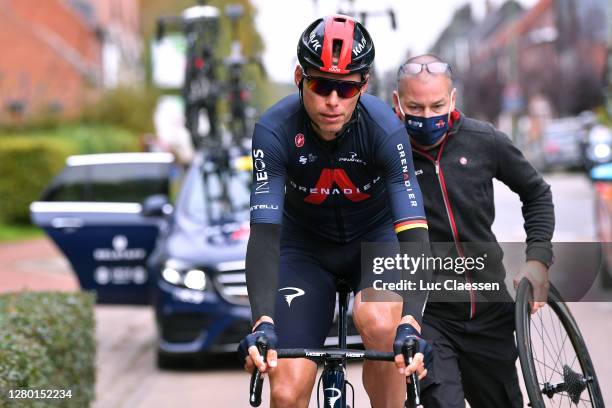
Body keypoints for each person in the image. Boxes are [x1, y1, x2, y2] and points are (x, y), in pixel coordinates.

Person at [238, 15, 432, 408]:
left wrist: (410, 320)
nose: (332, 100)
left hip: (372, 243)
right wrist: (262, 322)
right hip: (304, 251)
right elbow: (265, 235)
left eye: (345, 88)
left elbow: (413, 234)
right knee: (288, 390)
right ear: (299, 78)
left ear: (363, 86)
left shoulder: (385, 130)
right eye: (321, 84)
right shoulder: (274, 131)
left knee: (380, 323)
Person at [391, 54, 555, 408]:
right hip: (430, 314)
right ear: (397, 103)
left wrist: (538, 259)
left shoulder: (485, 141)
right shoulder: (390, 153)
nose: (426, 117)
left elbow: (537, 192)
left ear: (453, 99)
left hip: (489, 311)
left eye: (436, 105)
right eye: (414, 108)